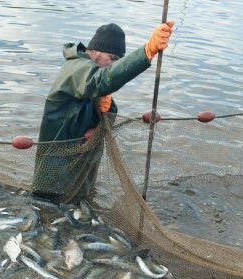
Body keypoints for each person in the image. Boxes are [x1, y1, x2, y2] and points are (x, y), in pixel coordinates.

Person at [32, 21, 174, 203]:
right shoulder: (76, 68)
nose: (114, 64)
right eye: (113, 58)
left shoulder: (91, 74)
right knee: (50, 212)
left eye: (118, 61)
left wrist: (100, 119)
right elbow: (104, 80)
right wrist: (147, 52)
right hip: (55, 177)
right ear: (96, 51)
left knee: (79, 210)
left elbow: (107, 114)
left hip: (79, 172)